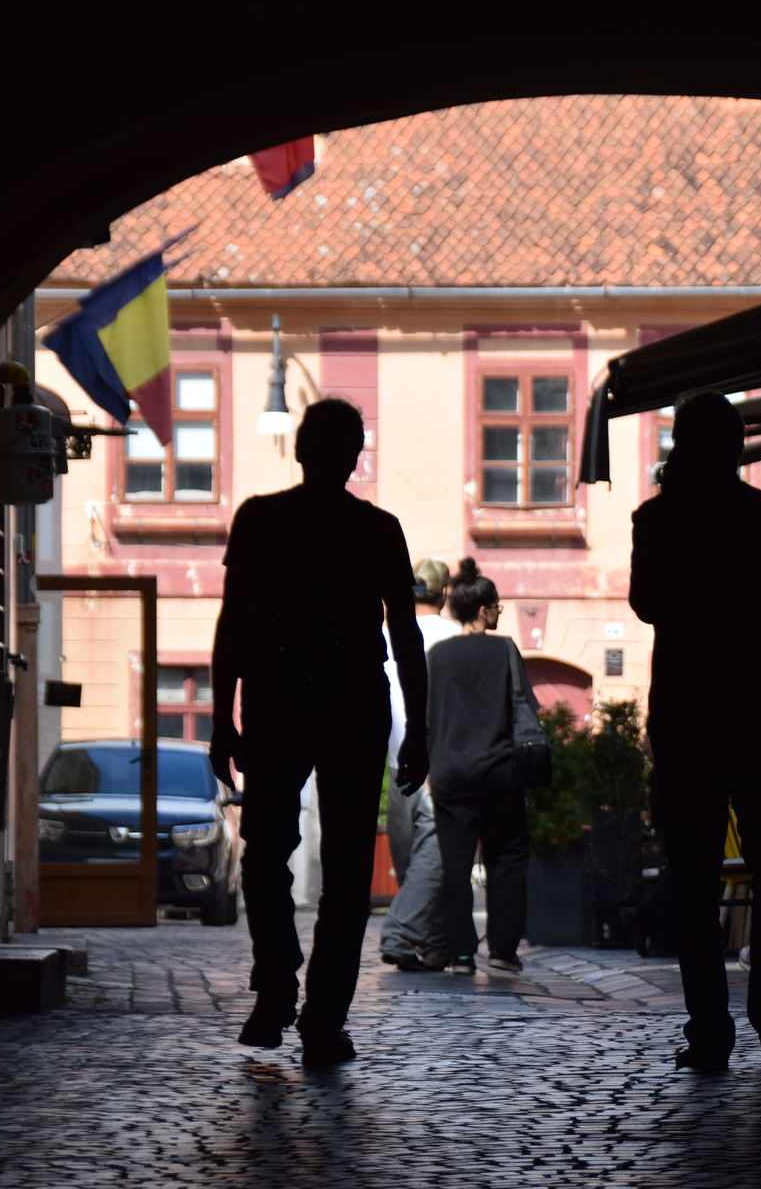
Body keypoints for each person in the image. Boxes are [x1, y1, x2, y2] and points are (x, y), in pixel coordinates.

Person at [209, 397, 428, 1067]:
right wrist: (419, 726)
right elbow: (405, 634)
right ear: (355, 457)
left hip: (276, 696)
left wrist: (221, 718)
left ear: (300, 450)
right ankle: (323, 1021)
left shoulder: (259, 519)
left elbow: (233, 623)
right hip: (354, 700)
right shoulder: (379, 529)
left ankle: (277, 980)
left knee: (264, 853)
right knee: (348, 872)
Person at [629, 390, 761, 1071]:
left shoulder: (657, 519)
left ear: (681, 446)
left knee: (693, 877)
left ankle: (709, 1027)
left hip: (688, 716)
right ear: (738, 446)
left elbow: (646, 604)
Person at [426, 558, 539, 976]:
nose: (498, 613)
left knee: (455, 867)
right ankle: (503, 951)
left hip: (450, 774)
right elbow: (524, 707)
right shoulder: (504, 649)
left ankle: (460, 955)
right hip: (498, 773)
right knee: (507, 858)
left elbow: (428, 716)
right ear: (482, 610)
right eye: (496, 607)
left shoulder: (438, 655)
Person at [379, 558, 458, 971]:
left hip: (396, 763)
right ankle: (403, 936)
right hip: (437, 762)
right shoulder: (456, 636)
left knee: (415, 863)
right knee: (434, 860)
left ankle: (436, 945)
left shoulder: (384, 633)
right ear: (445, 593)